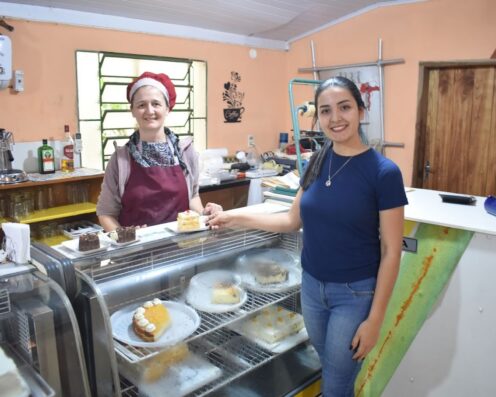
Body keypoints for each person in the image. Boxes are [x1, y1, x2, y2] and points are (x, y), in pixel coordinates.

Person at [208, 76, 408, 396]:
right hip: (312, 288)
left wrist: (375, 319)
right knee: (328, 367)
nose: (335, 118)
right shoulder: (318, 160)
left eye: (344, 107)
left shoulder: (383, 173)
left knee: (338, 382)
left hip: (354, 295)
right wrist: (233, 216)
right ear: (318, 117)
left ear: (360, 109)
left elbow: (391, 251)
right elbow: (291, 221)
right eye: (325, 111)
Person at [97, 71, 221, 232]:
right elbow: (106, 212)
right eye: (141, 105)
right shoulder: (121, 160)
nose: (149, 111)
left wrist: (205, 214)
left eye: (156, 104)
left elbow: (192, 197)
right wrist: (123, 237)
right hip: (135, 252)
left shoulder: (185, 153)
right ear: (132, 110)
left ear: (167, 108)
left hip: (183, 248)